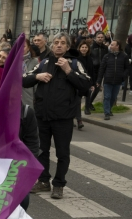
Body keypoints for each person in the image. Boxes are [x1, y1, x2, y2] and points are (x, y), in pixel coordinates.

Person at [24, 33, 91, 200]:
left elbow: (86, 84)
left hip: (64, 117)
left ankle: (59, 184)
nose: (59, 45)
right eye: (56, 43)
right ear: (52, 45)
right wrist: (36, 76)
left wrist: (68, 71)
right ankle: (44, 181)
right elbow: (24, 79)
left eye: (62, 43)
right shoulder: (44, 62)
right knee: (41, 151)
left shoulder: (75, 63)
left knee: (62, 153)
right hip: (43, 116)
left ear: (68, 47)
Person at [97, 39, 129, 121]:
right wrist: (99, 81)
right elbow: (102, 69)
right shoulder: (107, 56)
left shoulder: (124, 56)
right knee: (107, 97)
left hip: (118, 81)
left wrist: (123, 76)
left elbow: (127, 68)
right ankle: (106, 113)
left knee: (113, 97)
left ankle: (109, 109)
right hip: (108, 80)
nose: (110, 46)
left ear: (117, 46)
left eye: (112, 44)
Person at [77, 41, 94, 125]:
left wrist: (92, 84)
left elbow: (91, 72)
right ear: (79, 48)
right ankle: (79, 119)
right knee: (77, 101)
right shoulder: (76, 58)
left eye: (86, 47)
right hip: (78, 82)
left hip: (87, 81)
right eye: (82, 47)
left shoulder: (90, 58)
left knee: (88, 94)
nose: (84, 49)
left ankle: (87, 108)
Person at [22, 39, 40, 109]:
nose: (21, 49)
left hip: (28, 97)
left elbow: (36, 81)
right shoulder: (12, 62)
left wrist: (36, 97)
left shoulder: (34, 61)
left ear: (28, 48)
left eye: (23, 46)